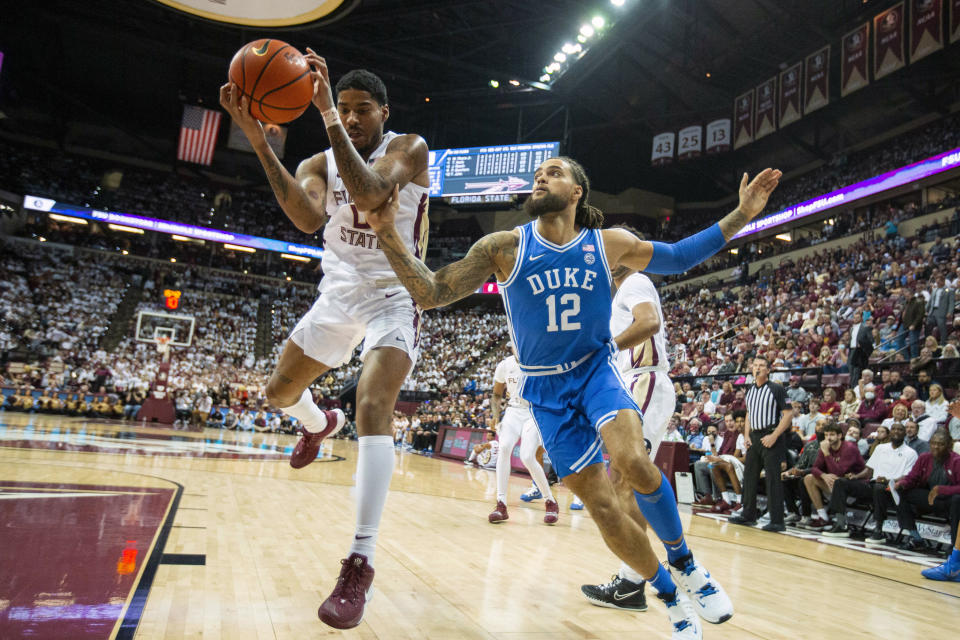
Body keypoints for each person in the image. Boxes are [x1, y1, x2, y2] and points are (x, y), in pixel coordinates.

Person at [365, 156, 781, 638]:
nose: (541, 176)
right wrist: (386, 232)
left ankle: (687, 565)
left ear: (578, 191)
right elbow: (434, 291)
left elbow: (681, 256)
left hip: (595, 371)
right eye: (538, 172)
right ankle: (668, 596)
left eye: (555, 171)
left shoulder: (608, 244)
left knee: (633, 462)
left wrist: (742, 215)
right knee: (603, 507)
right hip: (544, 389)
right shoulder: (503, 246)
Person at [221, 58, 430, 630]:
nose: (354, 116)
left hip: (395, 290)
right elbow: (308, 218)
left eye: (364, 108)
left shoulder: (409, 147)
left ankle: (359, 560)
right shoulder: (316, 161)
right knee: (275, 394)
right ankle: (316, 423)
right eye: (346, 107)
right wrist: (260, 142)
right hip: (337, 294)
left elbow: (370, 190)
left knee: (372, 405)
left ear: (383, 113)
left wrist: (326, 114)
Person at [581, 264, 679, 611]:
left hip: (646, 380)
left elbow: (649, 321)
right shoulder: (613, 300)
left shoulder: (635, 281)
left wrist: (607, 348)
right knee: (623, 479)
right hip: (631, 385)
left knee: (628, 479)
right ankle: (648, 572)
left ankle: (633, 581)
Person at [487, 349, 558, 525]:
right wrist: (495, 416)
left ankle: (550, 501)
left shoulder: (539, 360)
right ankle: (501, 504)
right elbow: (496, 394)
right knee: (504, 448)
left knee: (527, 456)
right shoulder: (505, 365)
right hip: (513, 410)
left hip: (533, 411)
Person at [728, 355, 794, 532]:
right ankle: (748, 514)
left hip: (771, 435)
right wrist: (747, 435)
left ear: (768, 370)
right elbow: (749, 414)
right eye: (755, 365)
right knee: (749, 477)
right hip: (755, 438)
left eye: (762, 365)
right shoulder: (750, 390)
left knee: (773, 479)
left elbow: (788, 414)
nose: (757, 368)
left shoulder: (776, 389)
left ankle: (777, 520)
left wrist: (774, 435)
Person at [824, 422, 917, 539]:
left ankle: (879, 529)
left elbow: (906, 476)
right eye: (894, 429)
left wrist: (888, 480)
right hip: (872, 485)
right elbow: (869, 470)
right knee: (841, 482)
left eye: (900, 430)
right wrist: (856, 477)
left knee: (879, 487)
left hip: (891, 489)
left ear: (905, 434)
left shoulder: (911, 453)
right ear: (890, 433)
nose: (896, 432)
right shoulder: (880, 448)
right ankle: (841, 524)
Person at [890, 430, 960, 551]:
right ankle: (916, 538)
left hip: (949, 500)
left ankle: (956, 547)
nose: (936, 447)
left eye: (940, 444)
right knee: (902, 493)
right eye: (933, 443)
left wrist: (941, 490)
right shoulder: (924, 458)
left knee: (957, 500)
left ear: (949, 446)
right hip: (930, 498)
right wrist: (902, 483)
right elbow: (913, 477)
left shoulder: (956, 461)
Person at [846, 310, 873, 386]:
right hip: (852, 350)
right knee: (851, 369)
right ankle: (852, 385)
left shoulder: (865, 327)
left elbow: (871, 340)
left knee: (857, 371)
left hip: (860, 351)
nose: (856, 319)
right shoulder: (851, 329)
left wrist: (862, 344)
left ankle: (856, 386)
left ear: (861, 318)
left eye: (858, 317)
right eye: (854, 318)